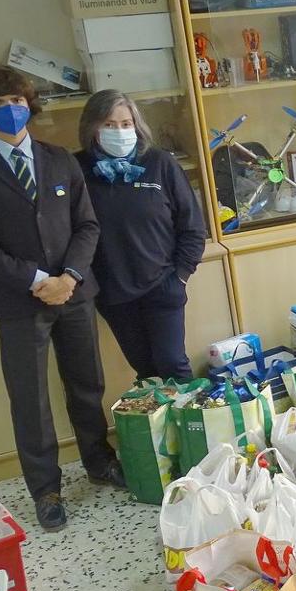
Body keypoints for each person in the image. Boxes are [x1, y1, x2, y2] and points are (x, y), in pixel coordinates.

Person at [0, 65, 123, 531]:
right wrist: (35, 280)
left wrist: (68, 276)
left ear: (29, 103)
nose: (10, 110)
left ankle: (99, 462)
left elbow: (87, 225)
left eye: (16, 100)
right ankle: (46, 490)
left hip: (73, 292)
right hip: (18, 301)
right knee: (30, 400)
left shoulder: (59, 160)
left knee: (86, 383)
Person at [76, 90, 206, 381]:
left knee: (173, 364)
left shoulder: (160, 163)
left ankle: (194, 424)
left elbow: (193, 228)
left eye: (126, 123)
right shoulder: (77, 171)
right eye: (109, 124)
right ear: (92, 128)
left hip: (163, 285)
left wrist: (180, 276)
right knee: (146, 371)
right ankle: (159, 426)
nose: (119, 131)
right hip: (114, 294)